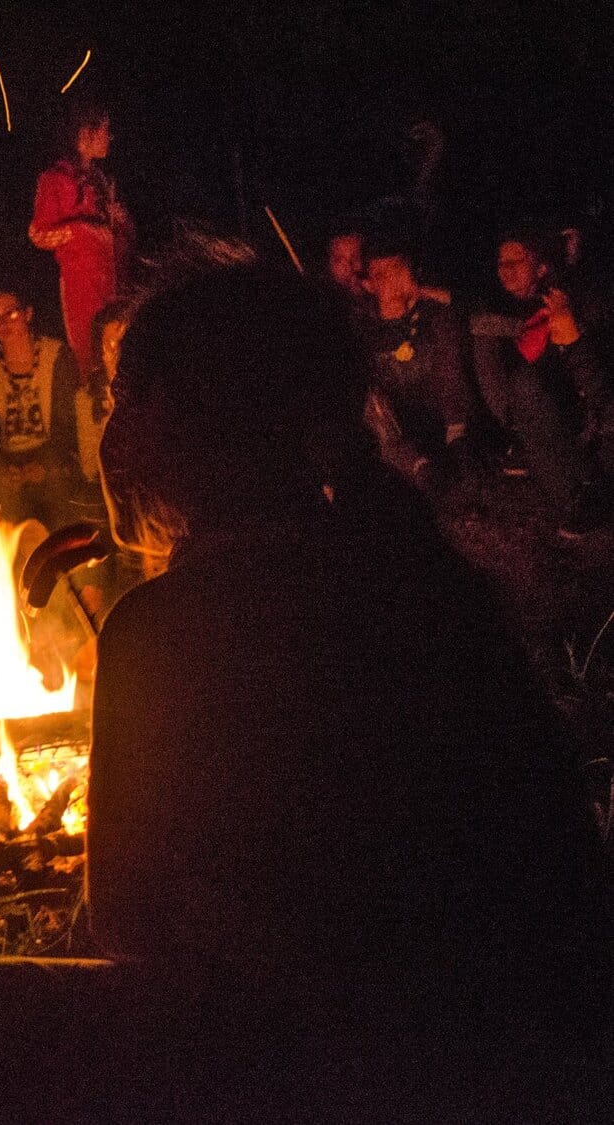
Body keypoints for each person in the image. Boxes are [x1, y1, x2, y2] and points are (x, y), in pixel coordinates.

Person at [88, 263, 609, 1116]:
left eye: (121, 397)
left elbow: (126, 920)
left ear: (189, 423)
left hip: (328, 1072)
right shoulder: (422, 582)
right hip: (528, 1053)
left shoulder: (159, 630)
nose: (112, 433)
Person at [471, 229, 612, 535]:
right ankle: (575, 492)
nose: (505, 270)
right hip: (566, 407)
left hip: (595, 409)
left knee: (527, 382)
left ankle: (589, 485)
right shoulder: (512, 303)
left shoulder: (572, 300)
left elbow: (596, 383)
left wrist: (567, 331)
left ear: (542, 267)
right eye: (501, 262)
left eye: (516, 262)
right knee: (493, 342)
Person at [359, 237, 481, 487]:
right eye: (383, 275)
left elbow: (483, 312)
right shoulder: (366, 329)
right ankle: (419, 469)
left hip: (447, 420)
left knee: (446, 325)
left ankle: (459, 445)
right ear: (369, 284)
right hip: (402, 424)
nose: (392, 281)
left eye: (397, 270)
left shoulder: (434, 314)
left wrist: (421, 292)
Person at [28, 97, 134, 381]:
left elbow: (118, 240)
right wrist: (82, 230)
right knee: (92, 363)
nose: (110, 136)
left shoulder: (99, 180)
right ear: (85, 131)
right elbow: (38, 233)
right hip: (82, 286)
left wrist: (120, 222)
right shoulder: (55, 179)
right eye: (105, 128)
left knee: (122, 360)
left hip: (116, 285)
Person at [0, 290, 79, 523]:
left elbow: (66, 421)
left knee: (57, 482)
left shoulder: (55, 356)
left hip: (52, 452)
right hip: (7, 458)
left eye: (11, 314)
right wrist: (1, 468)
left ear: (28, 314)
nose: (3, 324)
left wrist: (44, 464)